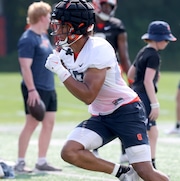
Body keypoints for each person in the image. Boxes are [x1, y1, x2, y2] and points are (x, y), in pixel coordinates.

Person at [45, 0, 170, 180]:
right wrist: (59, 64)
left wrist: (60, 71)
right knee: (70, 152)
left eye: (62, 25)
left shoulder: (98, 48)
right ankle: (123, 173)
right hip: (102, 115)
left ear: (78, 27)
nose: (57, 30)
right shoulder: (67, 51)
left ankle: (134, 172)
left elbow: (88, 95)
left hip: (127, 111)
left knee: (145, 171)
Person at [15, 1, 62, 173]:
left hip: (49, 87)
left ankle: (41, 161)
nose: (50, 19)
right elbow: (25, 67)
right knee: (31, 124)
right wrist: (32, 90)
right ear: (42, 17)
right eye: (49, 15)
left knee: (49, 123)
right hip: (36, 88)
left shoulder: (43, 36)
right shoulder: (28, 38)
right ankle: (20, 162)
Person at [127, 21, 177, 169]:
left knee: (152, 131)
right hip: (145, 98)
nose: (167, 43)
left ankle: (149, 165)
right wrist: (154, 104)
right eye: (166, 40)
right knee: (149, 132)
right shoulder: (154, 56)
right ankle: (149, 167)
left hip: (136, 94)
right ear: (158, 39)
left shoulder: (143, 51)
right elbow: (148, 81)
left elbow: (131, 73)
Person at [92, 0, 131, 163]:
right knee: (96, 109)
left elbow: (124, 56)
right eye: (105, 5)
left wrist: (131, 77)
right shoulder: (88, 22)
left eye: (111, 6)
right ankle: (93, 147)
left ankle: (124, 150)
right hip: (92, 72)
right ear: (97, 5)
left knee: (121, 108)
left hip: (112, 74)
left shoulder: (117, 25)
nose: (108, 9)